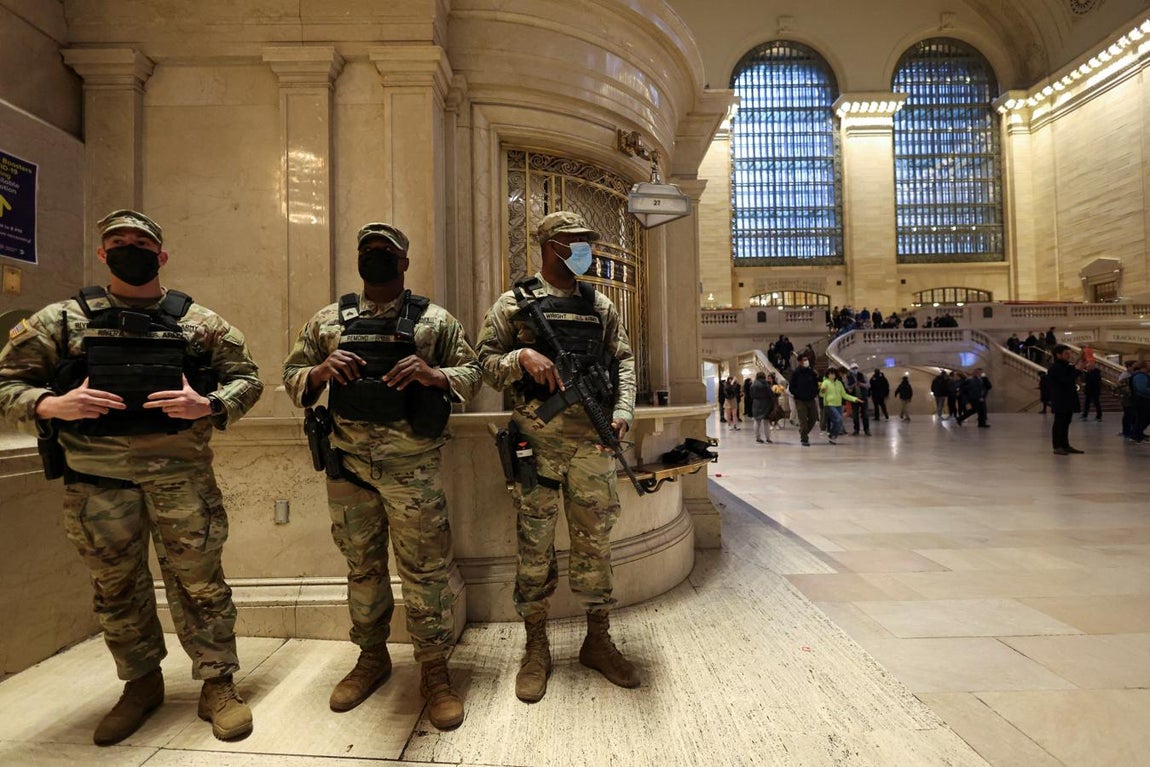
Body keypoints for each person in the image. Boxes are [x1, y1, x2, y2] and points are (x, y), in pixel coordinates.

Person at [0, 210, 264, 745]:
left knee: (200, 585)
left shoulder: (199, 323)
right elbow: (6, 385)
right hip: (96, 483)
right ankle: (141, 684)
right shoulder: (63, 321)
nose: (128, 248)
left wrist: (208, 403)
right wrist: (53, 404)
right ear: (102, 254)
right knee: (116, 588)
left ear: (160, 255)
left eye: (139, 242)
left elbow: (248, 379)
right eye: (116, 241)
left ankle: (218, 683)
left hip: (181, 480)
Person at [282, 222, 482, 730]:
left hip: (413, 471)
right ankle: (372, 658)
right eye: (367, 249)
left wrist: (433, 374)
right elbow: (290, 374)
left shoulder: (434, 321)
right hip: (348, 469)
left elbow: (473, 373)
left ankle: (435, 672)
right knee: (362, 569)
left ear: (404, 262)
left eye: (386, 250)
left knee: (426, 573)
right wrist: (320, 373)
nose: (375, 256)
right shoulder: (330, 320)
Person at [475, 210, 640, 703]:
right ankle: (536, 647)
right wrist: (519, 358)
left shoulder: (600, 305)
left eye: (586, 242)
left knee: (596, 543)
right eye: (575, 242)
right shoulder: (514, 303)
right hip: (538, 446)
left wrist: (624, 411)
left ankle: (597, 639)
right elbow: (479, 363)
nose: (585, 250)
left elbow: (625, 360)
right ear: (550, 247)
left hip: (592, 444)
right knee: (534, 545)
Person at [1047, 344, 1085, 454]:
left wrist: (1080, 363)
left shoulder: (1065, 366)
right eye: (1066, 353)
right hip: (1060, 399)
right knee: (1059, 423)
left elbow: (1072, 371)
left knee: (1066, 422)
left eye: (1069, 353)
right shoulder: (1055, 368)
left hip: (1068, 398)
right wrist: (1077, 370)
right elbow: (1066, 380)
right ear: (1058, 355)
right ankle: (1057, 446)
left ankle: (1065, 445)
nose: (1069, 355)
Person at [818, 368, 860, 444]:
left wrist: (854, 399)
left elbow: (844, 394)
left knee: (837, 421)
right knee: (838, 419)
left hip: (838, 405)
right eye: (830, 373)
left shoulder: (839, 383)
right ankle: (832, 433)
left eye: (833, 373)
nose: (832, 375)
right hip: (829, 405)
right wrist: (822, 391)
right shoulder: (825, 382)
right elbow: (821, 394)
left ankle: (832, 436)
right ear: (827, 374)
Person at [789, 355, 821, 447]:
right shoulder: (796, 373)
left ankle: (803, 432)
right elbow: (791, 387)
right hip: (800, 400)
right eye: (804, 360)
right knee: (802, 420)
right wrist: (797, 394)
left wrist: (815, 392)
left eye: (807, 359)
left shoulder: (811, 372)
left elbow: (816, 384)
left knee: (813, 418)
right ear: (799, 362)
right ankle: (804, 439)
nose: (806, 361)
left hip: (811, 399)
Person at [749, 371, 776, 443]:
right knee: (766, 422)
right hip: (766, 404)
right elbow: (771, 394)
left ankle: (758, 438)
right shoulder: (765, 384)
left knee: (757, 421)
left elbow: (751, 395)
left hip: (756, 404)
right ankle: (768, 438)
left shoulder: (753, 384)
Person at [845, 363, 870, 436]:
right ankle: (856, 429)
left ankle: (866, 429)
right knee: (855, 415)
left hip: (863, 398)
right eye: (853, 369)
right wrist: (853, 386)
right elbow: (847, 387)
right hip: (854, 398)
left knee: (865, 414)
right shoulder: (848, 377)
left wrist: (861, 384)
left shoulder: (862, 375)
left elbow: (868, 385)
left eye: (856, 368)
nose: (855, 370)